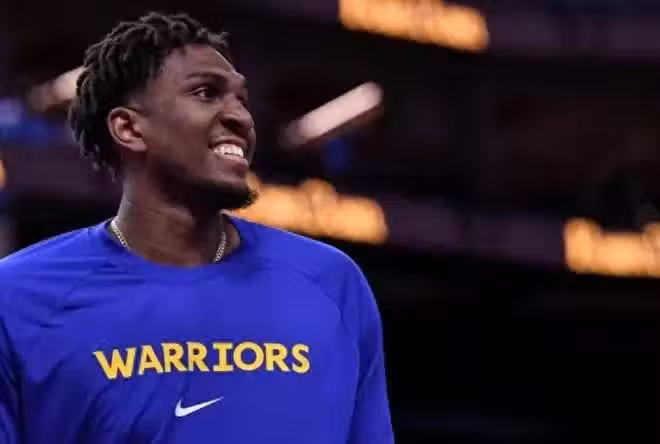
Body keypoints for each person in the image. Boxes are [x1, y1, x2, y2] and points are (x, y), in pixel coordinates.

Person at [0, 11, 394, 444]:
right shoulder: (19, 297)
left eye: (242, 100)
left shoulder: (332, 283)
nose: (241, 117)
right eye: (207, 93)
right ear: (129, 128)